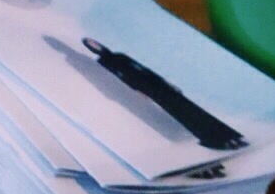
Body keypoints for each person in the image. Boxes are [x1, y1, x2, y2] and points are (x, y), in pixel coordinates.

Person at [79, 37, 247, 152]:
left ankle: (230, 136)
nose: (96, 46)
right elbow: (120, 80)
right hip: (147, 89)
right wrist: (137, 91)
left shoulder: (120, 55)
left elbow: (145, 69)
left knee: (192, 108)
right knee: (180, 113)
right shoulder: (102, 62)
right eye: (91, 45)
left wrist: (165, 81)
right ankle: (216, 139)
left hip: (156, 84)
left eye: (95, 42)